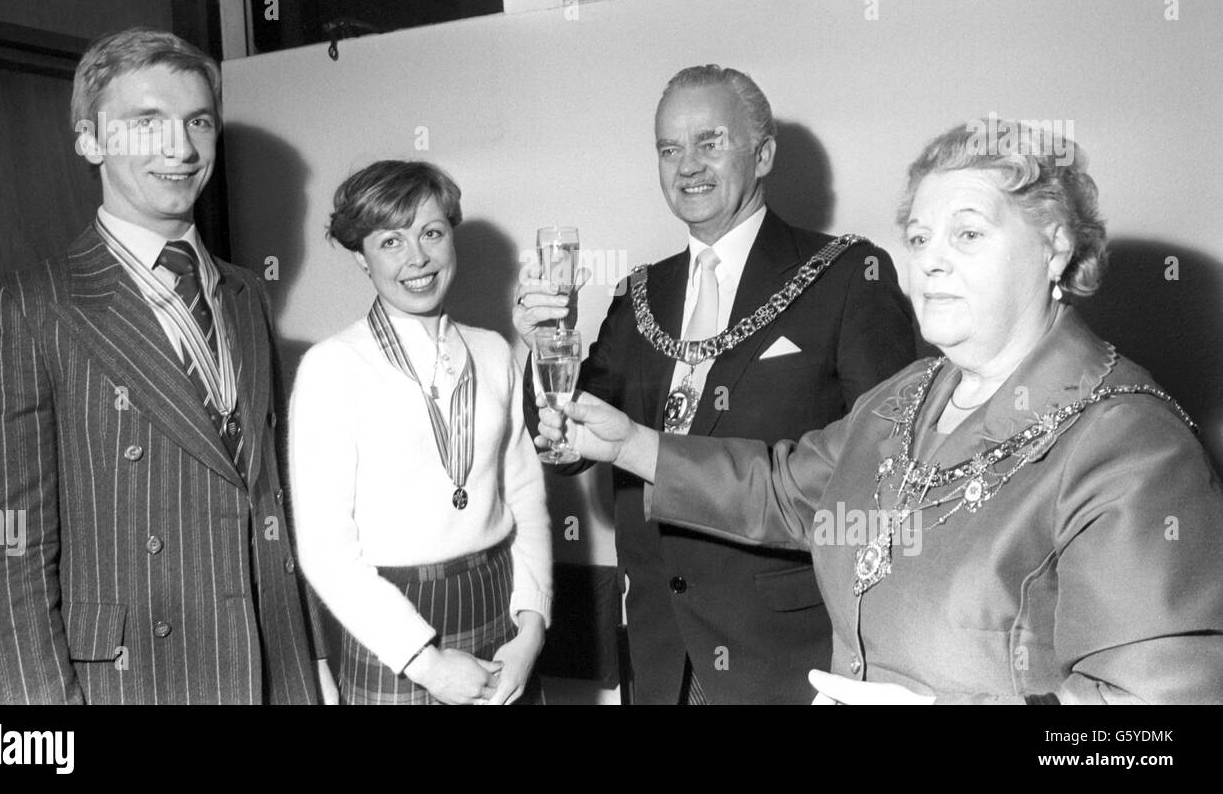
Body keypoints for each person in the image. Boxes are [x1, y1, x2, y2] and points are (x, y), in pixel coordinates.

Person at [539, 118, 1223, 703]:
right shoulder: (907, 397)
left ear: (1056, 248)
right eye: (920, 238)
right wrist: (628, 443)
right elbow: (783, 489)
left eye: (968, 235)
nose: (929, 263)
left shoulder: (1132, 447)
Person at [0, 27, 334, 704]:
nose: (180, 149)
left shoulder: (244, 295)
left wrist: (314, 671)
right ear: (90, 140)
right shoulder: (28, 307)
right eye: (145, 123)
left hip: (275, 673)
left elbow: (270, 507)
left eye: (198, 122)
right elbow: (0, 558)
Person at [513, 65, 915, 703]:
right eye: (669, 149)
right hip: (658, 647)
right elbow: (562, 447)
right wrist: (546, 342)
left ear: (765, 154)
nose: (687, 166)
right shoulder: (640, 293)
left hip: (788, 654)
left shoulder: (846, 275)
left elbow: (887, 474)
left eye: (710, 142)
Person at [290, 160, 552, 705]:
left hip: (499, 604)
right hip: (395, 628)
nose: (418, 258)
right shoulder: (332, 366)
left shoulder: (493, 351)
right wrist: (425, 662)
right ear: (361, 257)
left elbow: (525, 497)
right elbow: (325, 550)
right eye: (390, 241)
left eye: (431, 233)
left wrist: (531, 625)